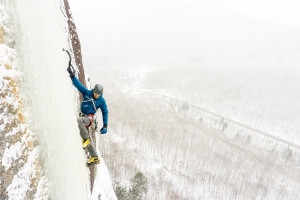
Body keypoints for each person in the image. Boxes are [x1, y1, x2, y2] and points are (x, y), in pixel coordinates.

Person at [68, 68, 108, 166]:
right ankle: (95, 157)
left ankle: (85, 139)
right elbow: (78, 85)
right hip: (83, 116)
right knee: (86, 134)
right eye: (95, 92)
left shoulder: (101, 101)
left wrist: (105, 125)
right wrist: (72, 76)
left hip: (89, 118)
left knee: (78, 122)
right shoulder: (87, 93)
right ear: (93, 90)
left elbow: (105, 112)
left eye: (98, 94)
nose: (96, 95)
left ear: (101, 94)